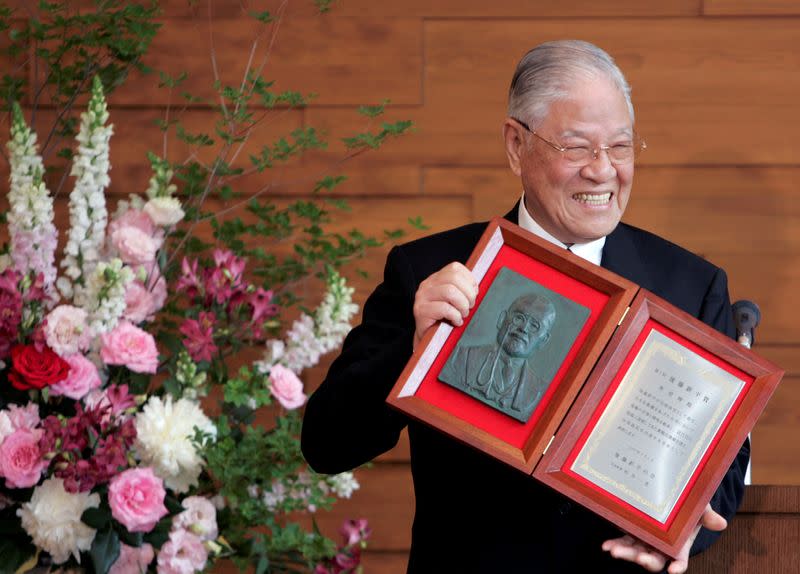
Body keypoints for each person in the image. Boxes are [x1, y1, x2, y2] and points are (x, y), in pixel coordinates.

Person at [301, 40, 749, 573]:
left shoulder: (691, 286)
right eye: (577, 147)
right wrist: (413, 351)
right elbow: (326, 445)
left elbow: (722, 471)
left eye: (621, 147)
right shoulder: (432, 269)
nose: (603, 171)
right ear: (516, 144)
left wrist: (685, 536)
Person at [439, 293, 555, 422]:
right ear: (502, 319)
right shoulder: (461, 357)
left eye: (534, 326)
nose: (523, 329)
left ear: (543, 340)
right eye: (519, 318)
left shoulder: (538, 390)